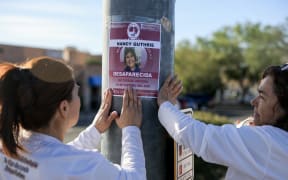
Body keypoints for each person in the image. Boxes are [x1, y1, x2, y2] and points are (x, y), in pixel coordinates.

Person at [0, 56, 146, 180]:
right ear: (64, 108)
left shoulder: (7, 151)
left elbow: (55, 161)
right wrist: (131, 128)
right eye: (76, 93)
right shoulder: (87, 164)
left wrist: (94, 132)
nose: (78, 98)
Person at [157, 64, 288, 179]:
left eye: (262, 97)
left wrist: (164, 104)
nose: (253, 102)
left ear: (283, 108)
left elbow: (200, 137)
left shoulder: (268, 143)